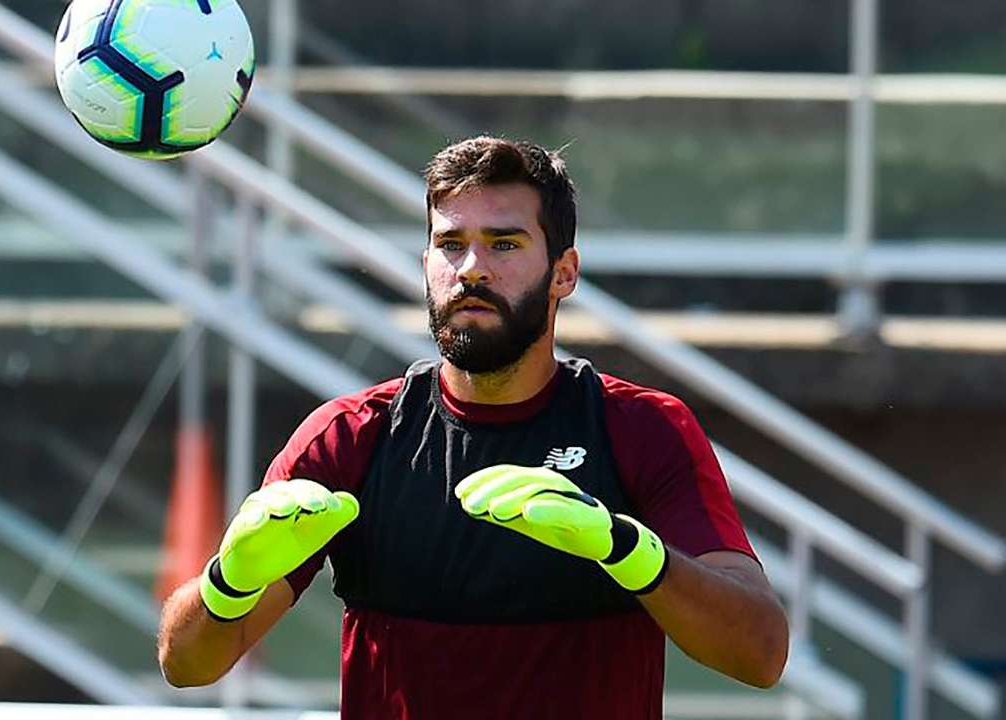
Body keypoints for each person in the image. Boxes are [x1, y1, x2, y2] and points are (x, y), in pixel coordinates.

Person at [157, 136, 789, 719]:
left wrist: (623, 549)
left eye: (505, 244)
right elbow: (187, 665)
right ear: (425, 262)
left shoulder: (641, 428)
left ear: (564, 273)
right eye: (451, 244)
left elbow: (760, 654)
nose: (472, 269)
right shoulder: (350, 437)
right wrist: (227, 582)